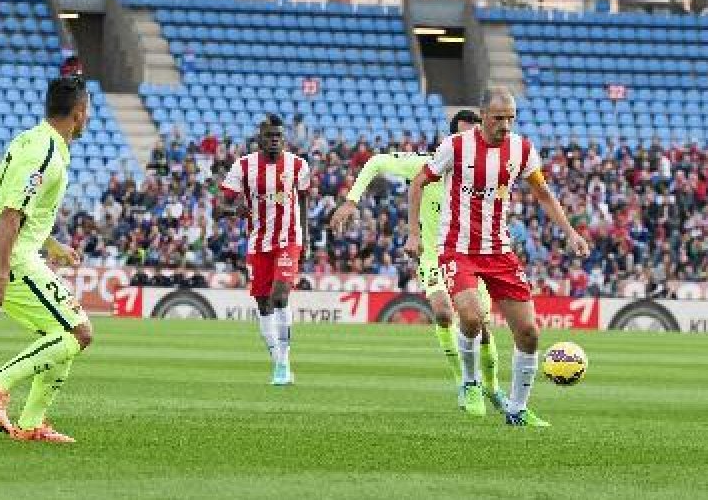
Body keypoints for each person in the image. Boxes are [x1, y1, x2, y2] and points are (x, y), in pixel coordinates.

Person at [404, 87, 589, 427]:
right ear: (483, 115)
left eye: (511, 119)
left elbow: (544, 194)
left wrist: (571, 232)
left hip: (499, 252)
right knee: (472, 317)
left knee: (530, 333)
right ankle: (470, 382)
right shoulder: (455, 147)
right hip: (457, 249)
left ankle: (517, 410)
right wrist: (414, 234)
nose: (506, 125)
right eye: (499, 118)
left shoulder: (521, 150)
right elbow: (418, 184)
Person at [330, 110, 516, 414]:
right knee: (443, 312)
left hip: (475, 257)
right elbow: (377, 162)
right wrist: (352, 200)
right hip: (435, 256)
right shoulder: (426, 166)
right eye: (461, 136)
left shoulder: (487, 172)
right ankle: (465, 383)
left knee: (480, 326)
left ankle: (493, 388)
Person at [0, 76, 93, 444]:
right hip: (9, 258)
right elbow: (9, 214)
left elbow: (21, 211)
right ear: (79, 113)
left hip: (11, 252)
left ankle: (31, 423)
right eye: (87, 114)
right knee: (77, 332)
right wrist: (2, 277)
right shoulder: (46, 153)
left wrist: (52, 246)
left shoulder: (32, 139)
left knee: (63, 331)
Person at [220, 114, 310, 386]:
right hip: (259, 243)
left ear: (284, 139)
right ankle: (277, 362)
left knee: (280, 295)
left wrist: (304, 239)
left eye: (278, 137)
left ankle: (284, 362)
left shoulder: (298, 165)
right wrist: (235, 209)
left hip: (289, 239)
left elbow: (303, 203)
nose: (274, 141)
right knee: (263, 303)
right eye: (269, 136)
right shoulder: (243, 167)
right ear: (260, 139)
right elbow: (220, 206)